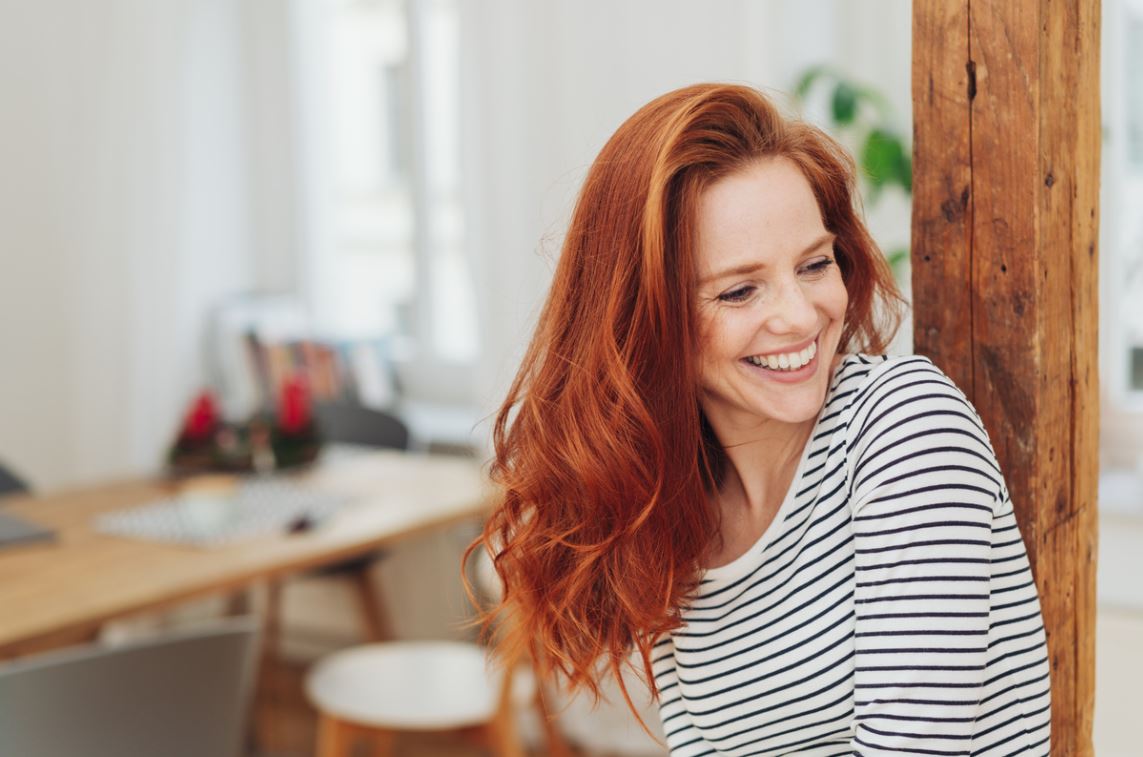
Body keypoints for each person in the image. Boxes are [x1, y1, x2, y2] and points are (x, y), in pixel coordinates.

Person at [469, 83, 1051, 755]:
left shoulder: (905, 431)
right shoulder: (673, 512)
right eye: (740, 289)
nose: (801, 316)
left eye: (813, 264)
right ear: (646, 319)